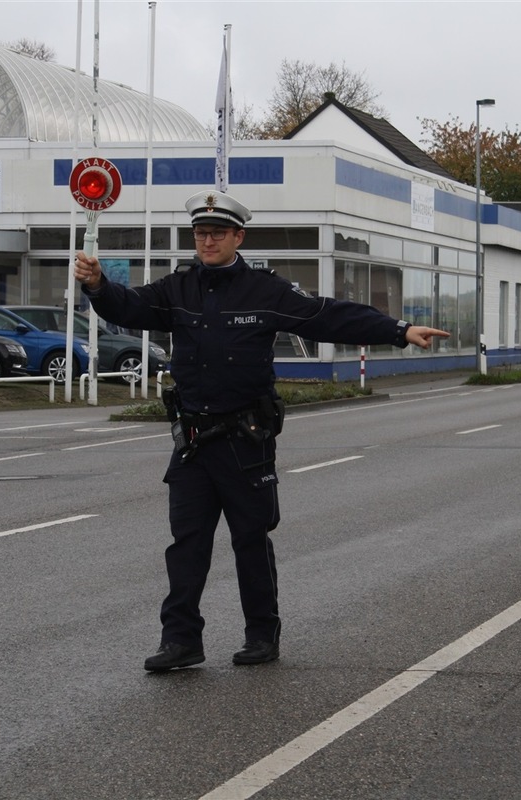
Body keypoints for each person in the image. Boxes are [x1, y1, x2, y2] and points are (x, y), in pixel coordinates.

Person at [74, 190, 449, 672]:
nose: (207, 241)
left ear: (238, 236)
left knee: (250, 540)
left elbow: (327, 315)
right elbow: (128, 307)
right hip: (192, 441)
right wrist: (99, 284)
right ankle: (181, 640)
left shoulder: (266, 291)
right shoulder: (177, 289)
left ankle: (261, 634)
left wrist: (398, 330)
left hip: (244, 440)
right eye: (200, 233)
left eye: (217, 233)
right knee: (186, 544)